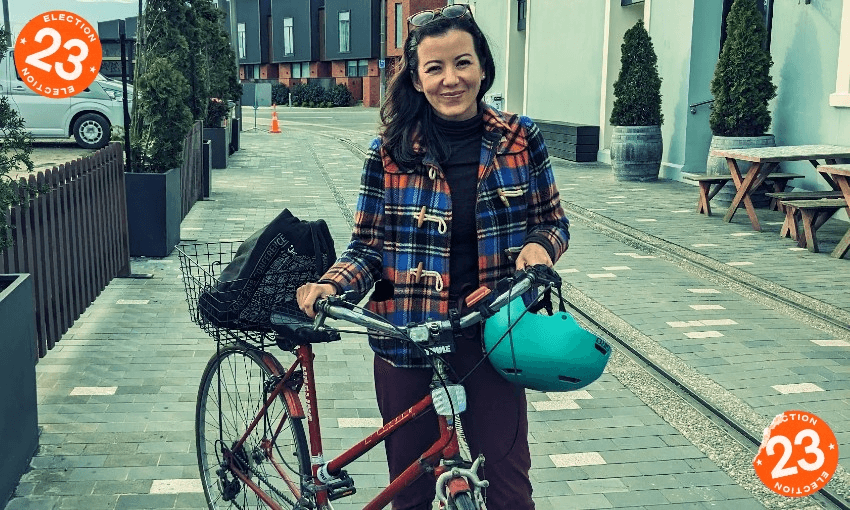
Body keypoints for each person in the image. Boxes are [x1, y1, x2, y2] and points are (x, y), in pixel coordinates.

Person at [296, 4, 570, 509]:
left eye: (462, 63)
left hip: (492, 334)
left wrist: (539, 247)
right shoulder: (390, 150)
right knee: (412, 487)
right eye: (435, 68)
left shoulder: (520, 139)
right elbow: (369, 246)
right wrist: (332, 284)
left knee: (510, 485)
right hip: (406, 336)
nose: (451, 79)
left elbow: (552, 221)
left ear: (483, 66)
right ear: (417, 80)